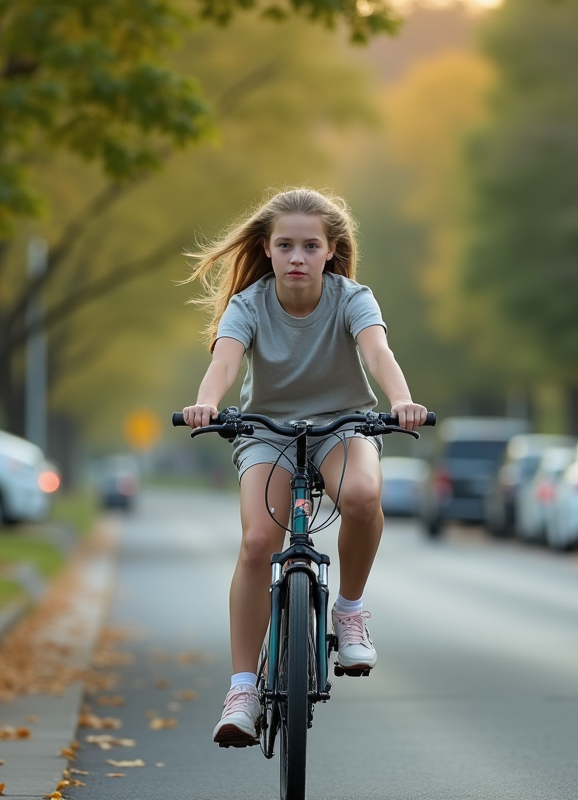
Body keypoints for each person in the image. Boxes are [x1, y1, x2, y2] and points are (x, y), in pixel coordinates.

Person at [180, 187, 428, 747]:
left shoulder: (352, 298)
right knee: (258, 541)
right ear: (266, 250)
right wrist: (208, 403)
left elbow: (378, 353)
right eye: (285, 245)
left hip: (344, 425)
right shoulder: (249, 305)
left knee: (363, 496)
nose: (297, 256)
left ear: (330, 251)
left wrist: (401, 400)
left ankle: (350, 608)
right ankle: (242, 688)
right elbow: (224, 361)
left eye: (310, 246)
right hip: (266, 429)